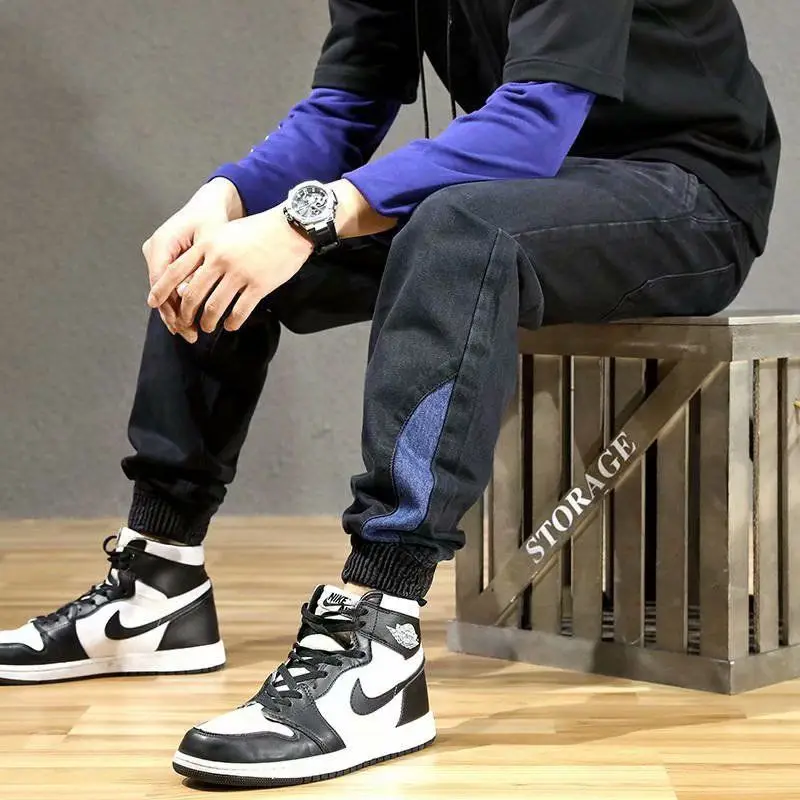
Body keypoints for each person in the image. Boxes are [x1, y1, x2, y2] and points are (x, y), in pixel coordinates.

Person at [0, 0, 779, 789]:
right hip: (525, 184)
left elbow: (536, 120)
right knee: (216, 253)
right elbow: (348, 102)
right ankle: (158, 582)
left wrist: (305, 220)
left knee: (457, 230)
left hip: (687, 191)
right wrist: (225, 200)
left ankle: (379, 631)